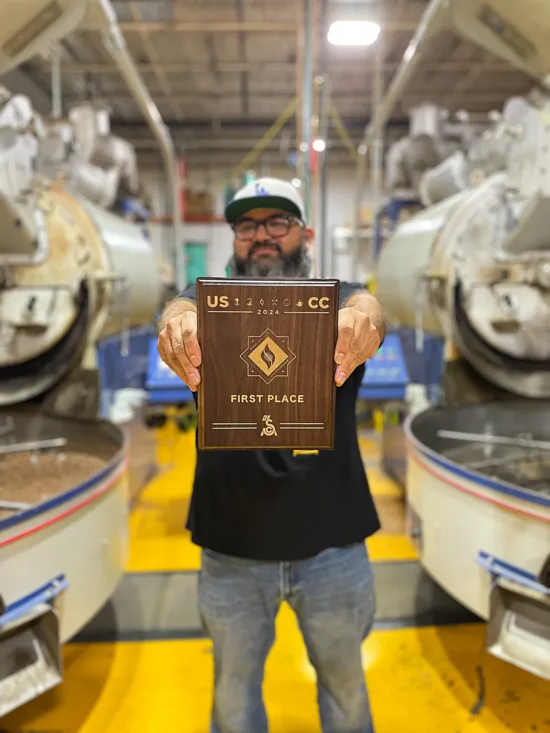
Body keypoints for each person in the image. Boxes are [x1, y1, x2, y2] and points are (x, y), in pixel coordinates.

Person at [157, 177, 386, 733]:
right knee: (234, 704)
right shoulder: (204, 304)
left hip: (332, 547)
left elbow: (367, 307)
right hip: (231, 548)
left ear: (303, 234)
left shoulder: (335, 301)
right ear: (233, 238)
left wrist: (365, 320)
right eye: (247, 226)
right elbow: (179, 311)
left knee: (346, 694)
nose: (261, 236)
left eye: (276, 223)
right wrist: (175, 323)